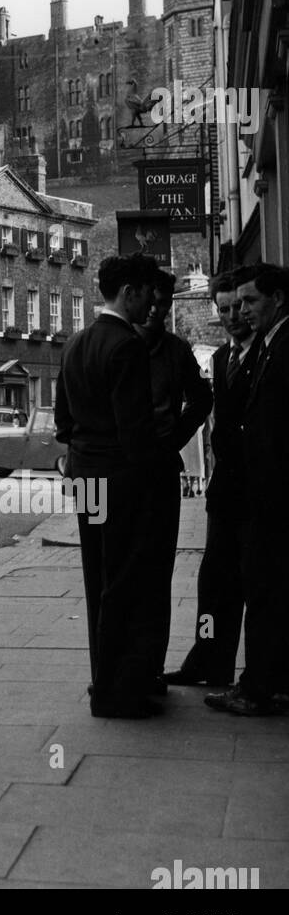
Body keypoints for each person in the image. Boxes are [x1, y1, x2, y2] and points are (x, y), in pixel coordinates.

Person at [54, 253, 163, 718]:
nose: (153, 306)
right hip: (122, 481)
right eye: (148, 295)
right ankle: (120, 692)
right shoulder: (129, 346)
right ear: (129, 292)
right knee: (125, 583)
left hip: (87, 477)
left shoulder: (76, 343)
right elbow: (133, 430)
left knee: (97, 577)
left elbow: (62, 422)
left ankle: (104, 684)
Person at [205, 263, 289, 716]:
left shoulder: (282, 347)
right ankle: (265, 679)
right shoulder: (269, 347)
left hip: (269, 495)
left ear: (277, 299)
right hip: (253, 492)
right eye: (235, 304)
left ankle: (257, 687)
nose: (242, 312)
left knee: (264, 593)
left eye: (251, 301)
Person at [167, 271, 256, 688]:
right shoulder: (222, 359)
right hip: (225, 492)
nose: (232, 316)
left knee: (257, 586)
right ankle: (207, 659)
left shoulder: (267, 354)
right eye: (223, 309)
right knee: (213, 585)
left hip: (261, 494)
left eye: (238, 306)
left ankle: (260, 675)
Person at [133, 270, 212, 689]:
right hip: (116, 474)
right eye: (152, 301)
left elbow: (202, 400)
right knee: (119, 576)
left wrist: (173, 440)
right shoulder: (112, 344)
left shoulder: (177, 350)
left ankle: (149, 668)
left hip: (159, 472)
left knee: (157, 571)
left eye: (164, 304)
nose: (157, 311)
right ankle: (118, 670)